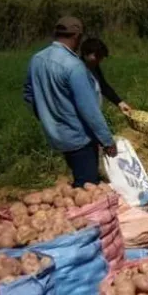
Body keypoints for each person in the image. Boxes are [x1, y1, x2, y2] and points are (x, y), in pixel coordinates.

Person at [23, 16, 117, 187]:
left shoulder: (37, 59)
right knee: (87, 187)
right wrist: (107, 140)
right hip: (79, 138)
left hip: (56, 135)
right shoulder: (74, 66)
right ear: (77, 36)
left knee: (79, 176)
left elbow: (29, 94)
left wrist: (45, 116)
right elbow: (89, 110)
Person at [80, 38, 132, 115]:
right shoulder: (78, 70)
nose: (99, 60)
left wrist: (119, 102)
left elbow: (103, 86)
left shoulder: (94, 67)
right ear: (85, 53)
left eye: (101, 57)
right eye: (97, 56)